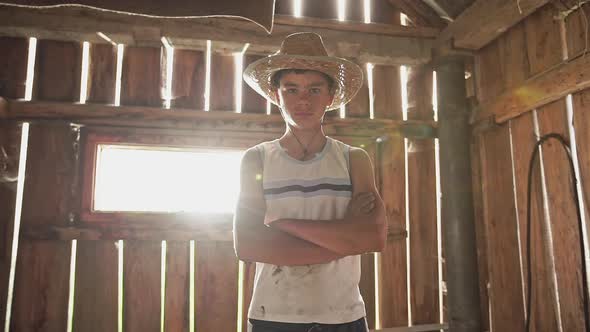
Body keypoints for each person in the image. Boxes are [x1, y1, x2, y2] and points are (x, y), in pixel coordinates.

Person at [234, 32, 387, 332]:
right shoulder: (257, 160)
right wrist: (346, 240)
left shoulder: (353, 159)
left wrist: (284, 223)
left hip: (344, 316)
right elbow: (249, 245)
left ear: (330, 97)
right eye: (291, 89)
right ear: (276, 95)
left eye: (314, 89)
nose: (303, 100)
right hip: (274, 316)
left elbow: (374, 237)